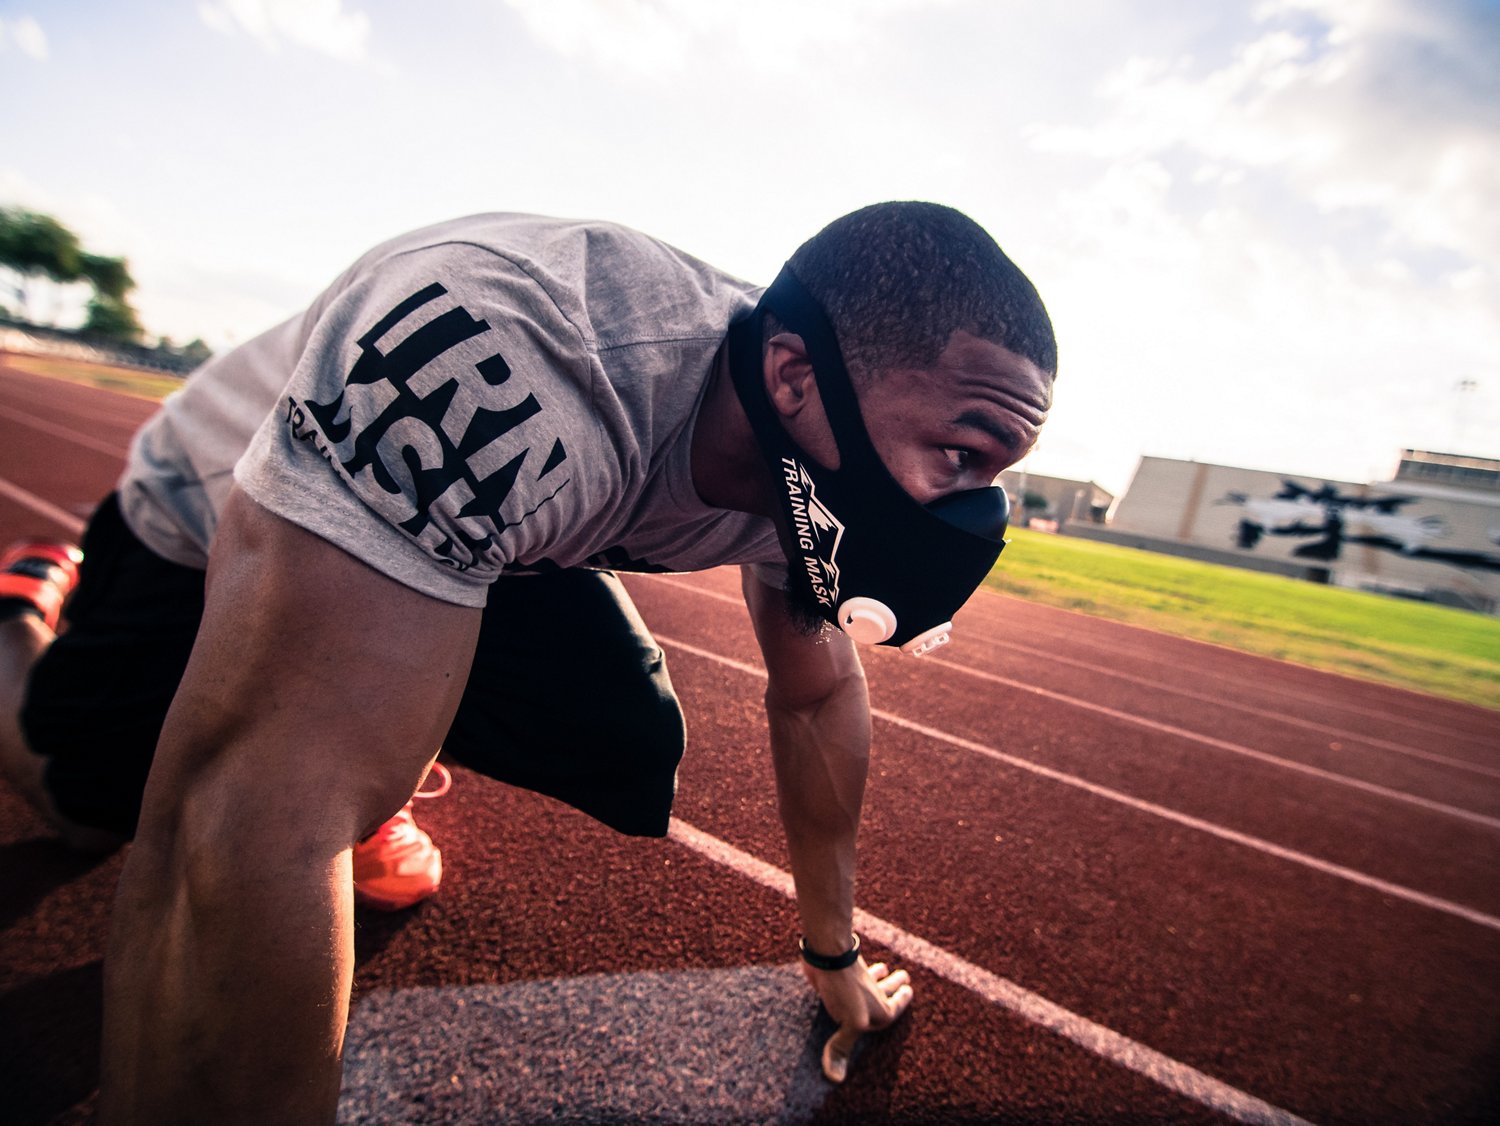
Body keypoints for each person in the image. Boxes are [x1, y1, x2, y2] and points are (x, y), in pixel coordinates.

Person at [0, 201, 1056, 1123]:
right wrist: (321, 790)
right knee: (110, 806)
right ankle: (20, 614)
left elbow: (819, 693)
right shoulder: (518, 349)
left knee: (624, 734)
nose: (969, 511)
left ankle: (382, 696)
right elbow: (234, 828)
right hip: (210, 499)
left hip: (487, 526)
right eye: (959, 455)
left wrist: (831, 954)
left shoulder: (815, 445)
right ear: (791, 377)